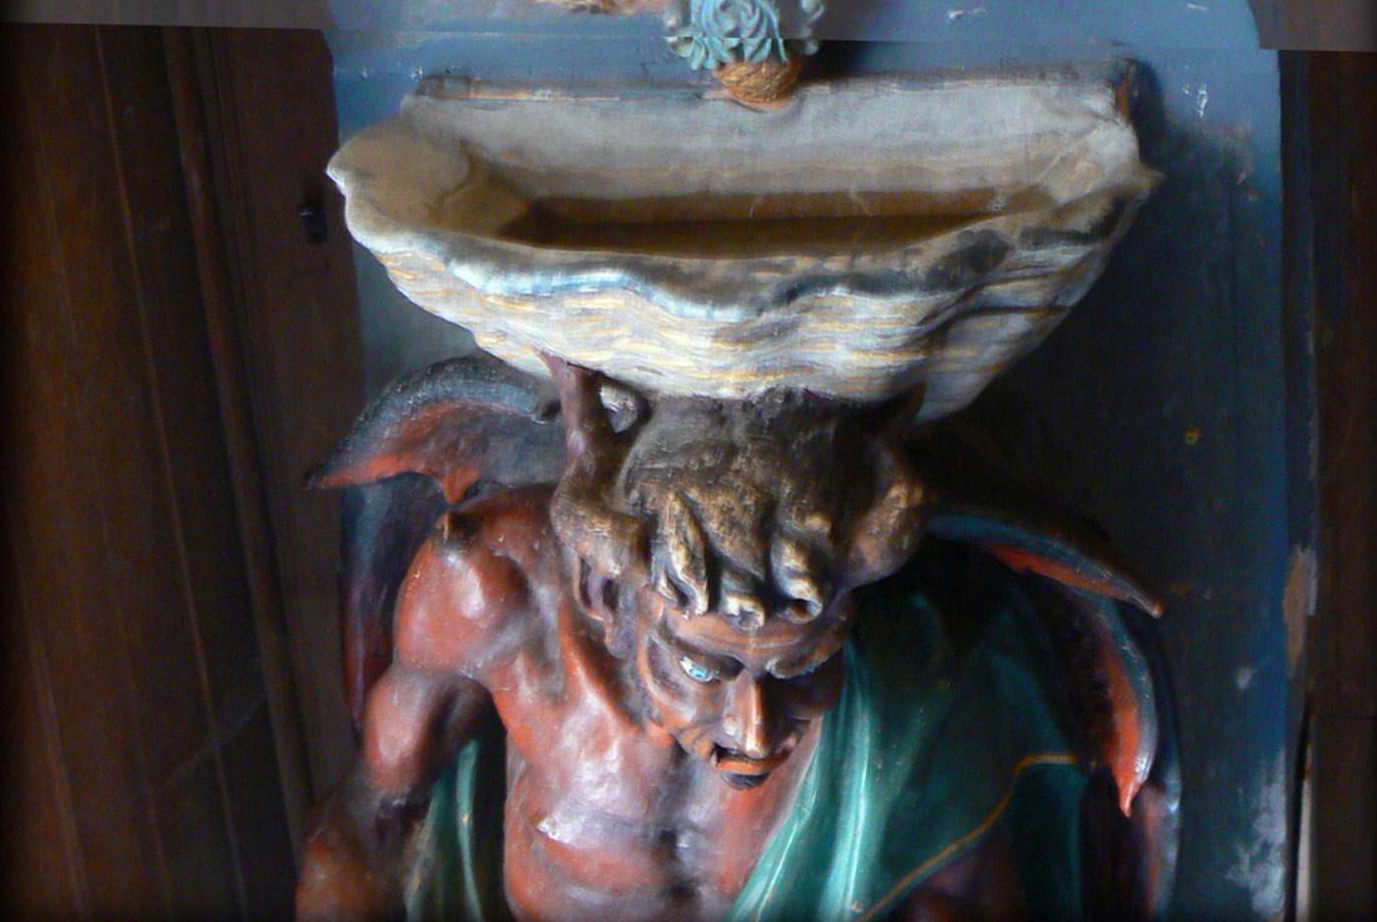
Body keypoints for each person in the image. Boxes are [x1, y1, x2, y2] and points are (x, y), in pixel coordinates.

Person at [294, 358, 1174, 922]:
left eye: (800, 666)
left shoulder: (919, 684)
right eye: (704, 664)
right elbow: (371, 827)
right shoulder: (493, 594)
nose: (755, 729)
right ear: (607, 595)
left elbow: (968, 901)